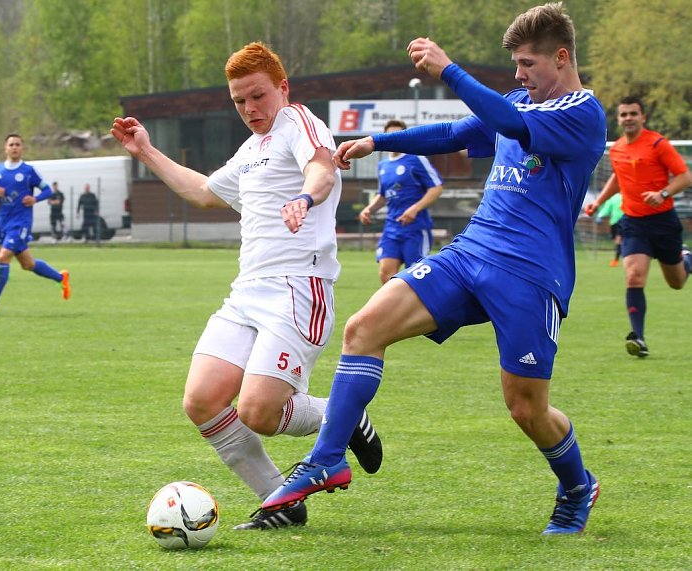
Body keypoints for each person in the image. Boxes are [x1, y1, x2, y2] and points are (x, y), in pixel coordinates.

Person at [261, 3, 605, 535]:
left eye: (528, 64)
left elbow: (510, 122)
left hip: (531, 276)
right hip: (470, 254)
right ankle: (328, 458)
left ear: (561, 58)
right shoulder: (519, 100)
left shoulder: (581, 114)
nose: (518, 75)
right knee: (363, 327)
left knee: (526, 408)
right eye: (515, 64)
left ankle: (578, 486)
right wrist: (380, 141)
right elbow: (456, 134)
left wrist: (449, 70)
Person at [110, 41, 382, 531]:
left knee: (258, 411)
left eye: (258, 96)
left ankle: (339, 415)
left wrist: (305, 196)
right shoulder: (252, 149)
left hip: (299, 288)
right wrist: (146, 151)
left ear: (282, 87)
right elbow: (203, 192)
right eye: (239, 101)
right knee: (201, 400)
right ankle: (281, 502)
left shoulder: (299, 122)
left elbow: (320, 168)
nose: (250, 109)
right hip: (247, 292)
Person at [583, 96, 692, 358]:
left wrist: (663, 194)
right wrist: (598, 202)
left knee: (676, 282)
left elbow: (685, 176)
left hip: (663, 222)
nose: (628, 118)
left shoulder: (658, 144)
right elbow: (618, 178)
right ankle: (638, 338)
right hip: (632, 223)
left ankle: (686, 259)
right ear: (619, 120)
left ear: (642, 117)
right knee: (634, 277)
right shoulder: (618, 149)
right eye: (623, 115)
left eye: (633, 114)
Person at [0, 134, 71, 316]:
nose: (14, 147)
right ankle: (60, 277)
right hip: (5, 224)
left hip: (21, 223)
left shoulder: (28, 171)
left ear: (22, 148)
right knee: (28, 264)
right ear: (5, 148)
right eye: (11, 144)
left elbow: (47, 190)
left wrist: (35, 198)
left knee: (2, 258)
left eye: (18, 144)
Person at [359, 119, 444, 284]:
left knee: (415, 278)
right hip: (391, 228)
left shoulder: (416, 159)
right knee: (385, 273)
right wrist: (369, 209)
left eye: (397, 135)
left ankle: (424, 309)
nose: (393, 138)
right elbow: (383, 195)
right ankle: (395, 309)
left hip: (415, 229)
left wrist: (414, 209)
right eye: (389, 135)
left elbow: (436, 188)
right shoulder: (383, 165)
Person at [593, 193, 623, 267]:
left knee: (618, 240)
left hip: (617, 222)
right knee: (619, 241)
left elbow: (606, 209)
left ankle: (616, 260)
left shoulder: (613, 197)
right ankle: (619, 258)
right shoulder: (622, 196)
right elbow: (607, 208)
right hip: (622, 221)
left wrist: (600, 216)